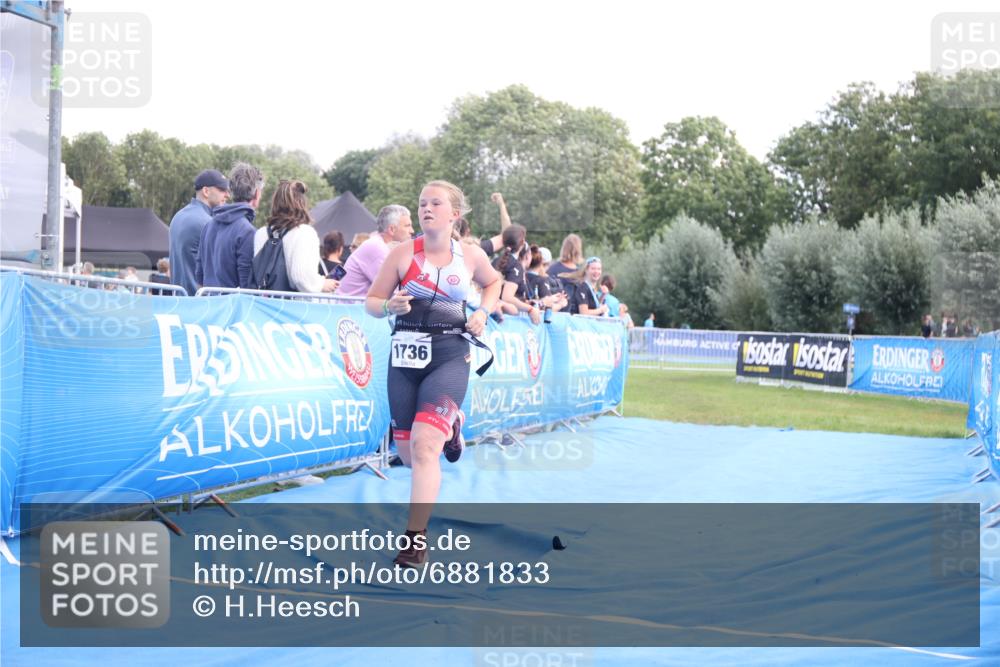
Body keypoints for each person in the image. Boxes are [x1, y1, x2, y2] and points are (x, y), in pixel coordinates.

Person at [365, 180, 501, 569]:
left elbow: (494, 283)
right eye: (422, 203)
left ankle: (414, 540)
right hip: (405, 358)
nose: (425, 209)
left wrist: (482, 312)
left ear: (453, 215)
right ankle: (453, 426)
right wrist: (387, 305)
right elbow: (370, 303)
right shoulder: (401, 255)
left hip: (450, 355)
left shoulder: (470, 255)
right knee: (408, 455)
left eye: (435, 203)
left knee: (426, 448)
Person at [253, 180, 339, 293]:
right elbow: (301, 276)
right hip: (292, 306)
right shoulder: (304, 233)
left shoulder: (261, 233)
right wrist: (322, 284)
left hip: (264, 304)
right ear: (302, 204)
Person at [196, 162, 263, 290]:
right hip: (232, 308)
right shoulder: (248, 232)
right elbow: (247, 287)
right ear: (257, 194)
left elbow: (199, 277)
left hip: (208, 305)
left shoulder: (208, 226)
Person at [169, 169, 230, 296]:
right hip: (200, 305)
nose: (227, 195)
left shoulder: (177, 216)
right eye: (222, 190)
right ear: (206, 191)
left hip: (179, 301)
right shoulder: (208, 223)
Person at [337, 206, 413, 296]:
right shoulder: (377, 248)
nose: (412, 231)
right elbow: (395, 293)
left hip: (353, 306)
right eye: (407, 226)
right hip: (354, 308)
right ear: (392, 229)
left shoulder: (377, 243)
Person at [494, 224, 542, 324]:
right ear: (523, 243)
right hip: (504, 322)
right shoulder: (516, 266)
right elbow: (507, 297)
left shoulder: (495, 260)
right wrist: (530, 309)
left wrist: (523, 303)